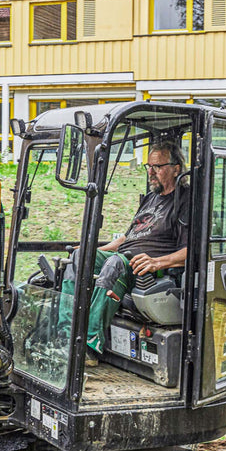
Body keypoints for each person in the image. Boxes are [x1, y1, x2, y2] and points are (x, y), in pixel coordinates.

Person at [61, 140, 190, 364]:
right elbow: (128, 237)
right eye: (148, 166)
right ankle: (65, 336)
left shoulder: (185, 201)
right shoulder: (151, 198)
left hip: (149, 269)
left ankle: (89, 347)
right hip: (124, 257)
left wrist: (158, 262)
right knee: (80, 258)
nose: (151, 172)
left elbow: (194, 249)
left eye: (157, 167)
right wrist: (95, 249)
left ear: (176, 168)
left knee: (115, 264)